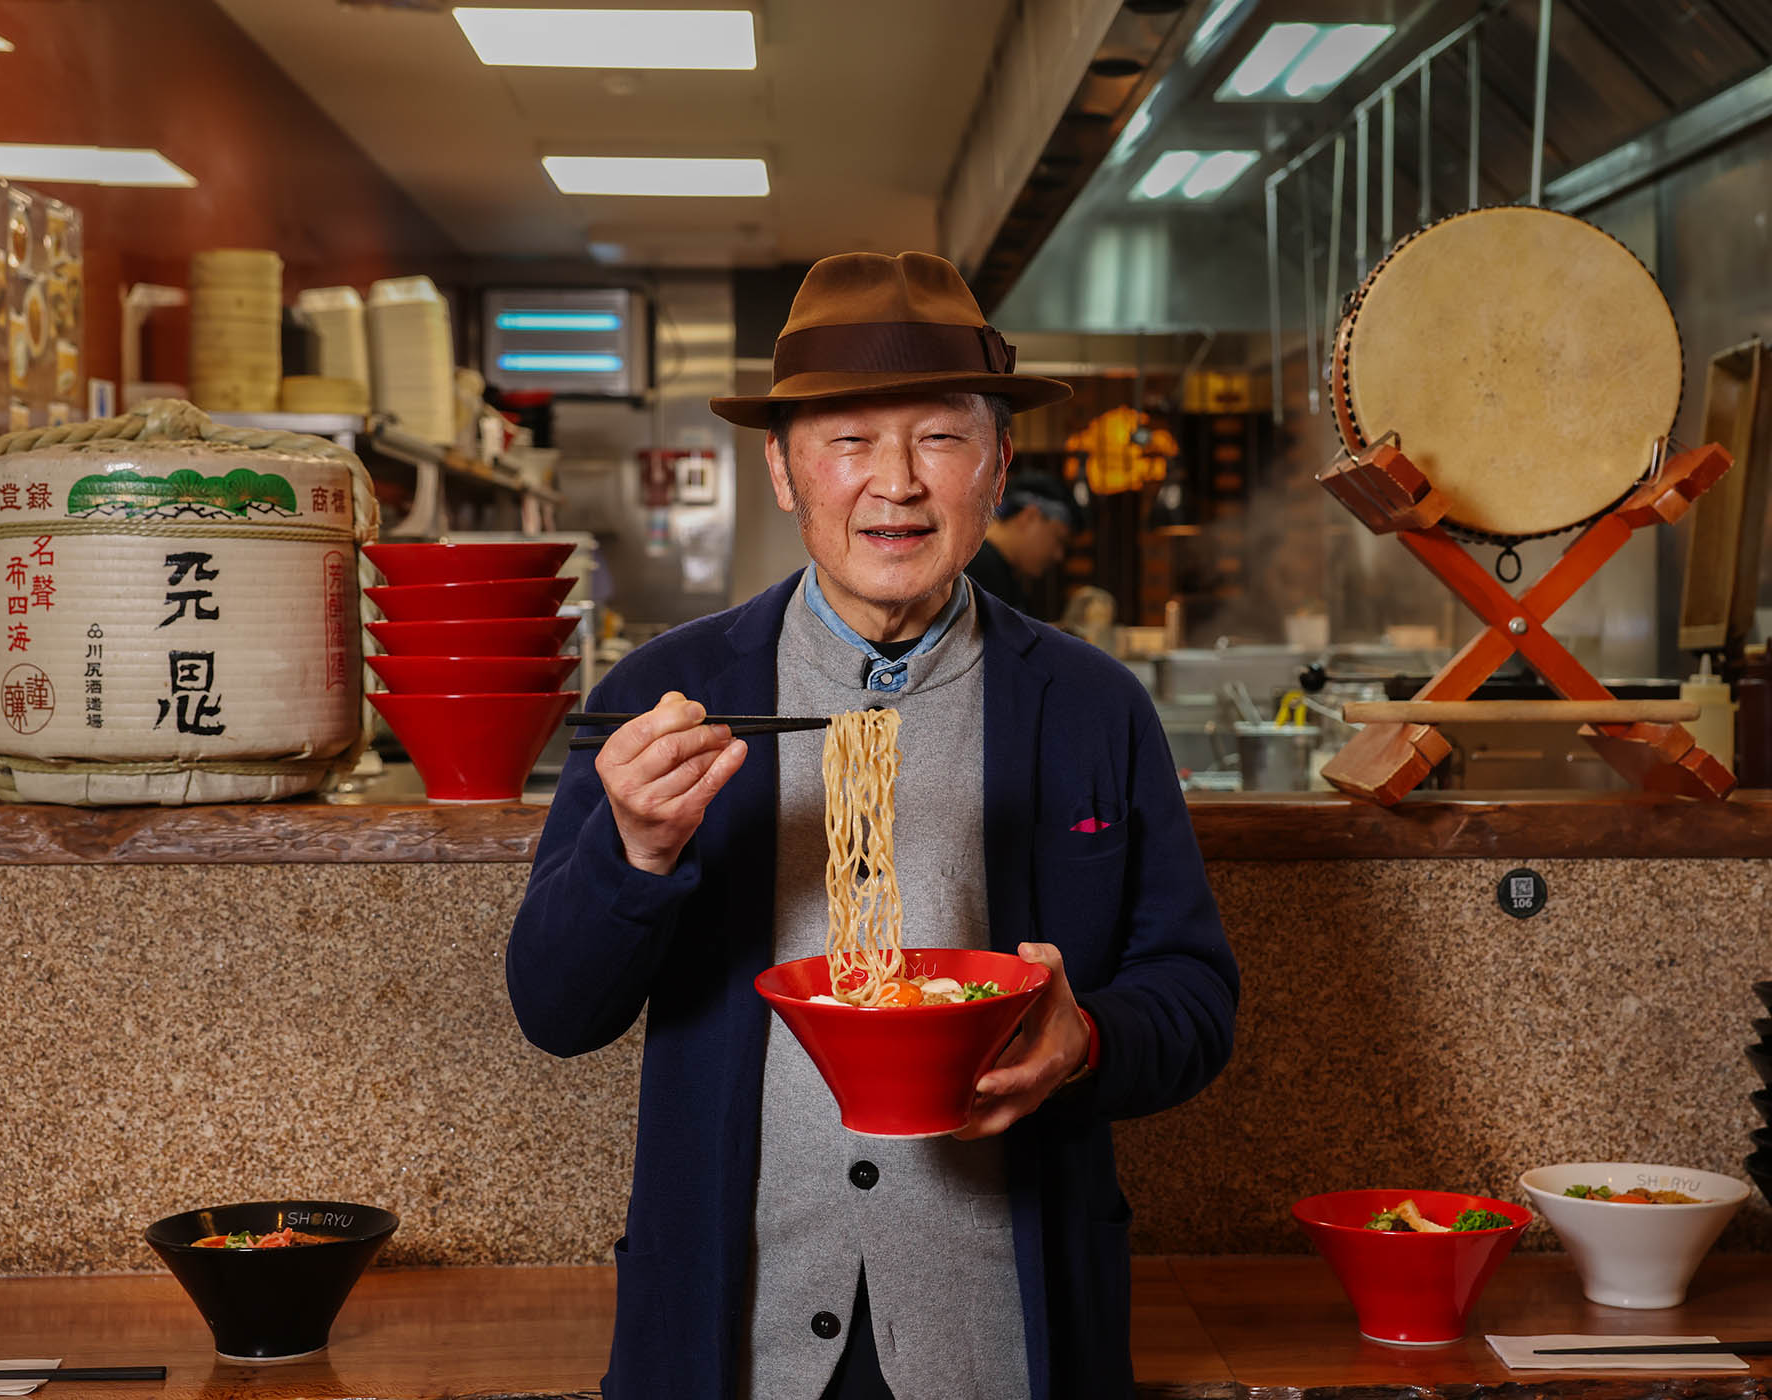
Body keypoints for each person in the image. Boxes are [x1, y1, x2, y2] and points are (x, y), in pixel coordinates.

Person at [506, 251, 1238, 1400]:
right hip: (732, 1341)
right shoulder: (670, 690)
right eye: (848, 438)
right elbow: (553, 1009)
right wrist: (637, 852)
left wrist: (1083, 1039)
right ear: (785, 469)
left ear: (997, 467)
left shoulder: (1092, 705)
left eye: (940, 437)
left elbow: (1196, 996)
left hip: (1003, 1332)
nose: (895, 481)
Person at [964, 472, 1085, 617]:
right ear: (1029, 516)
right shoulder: (977, 566)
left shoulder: (996, 568)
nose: (1058, 555)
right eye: (1058, 539)